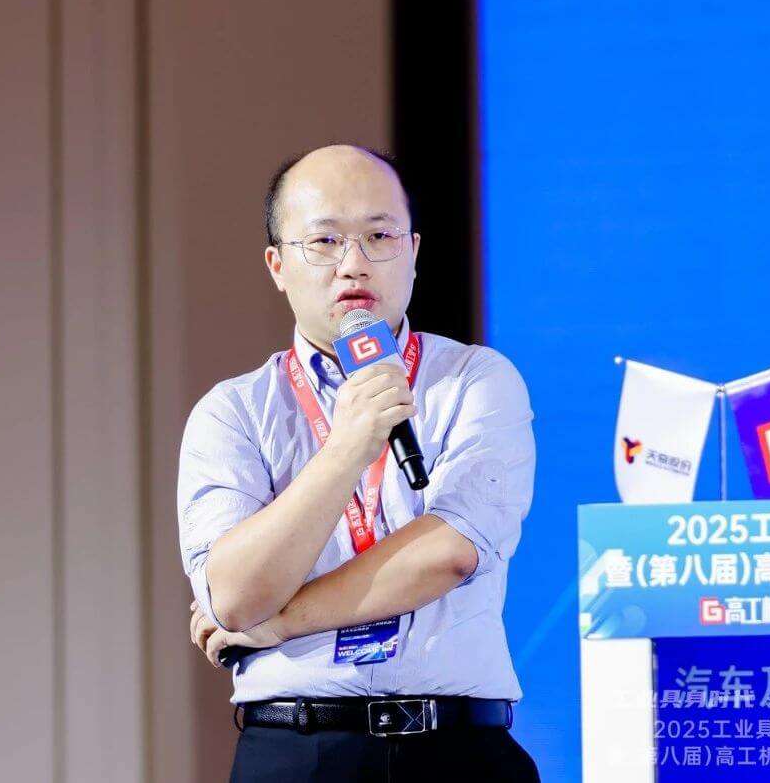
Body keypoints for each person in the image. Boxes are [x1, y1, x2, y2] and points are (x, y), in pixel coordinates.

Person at [178, 144, 539, 781]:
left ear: (414, 252)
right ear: (277, 265)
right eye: (324, 241)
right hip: (297, 751)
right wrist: (346, 449)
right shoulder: (232, 411)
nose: (354, 264)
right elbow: (232, 597)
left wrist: (282, 621)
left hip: (457, 749)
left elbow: (450, 552)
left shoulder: (475, 379)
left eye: (379, 235)